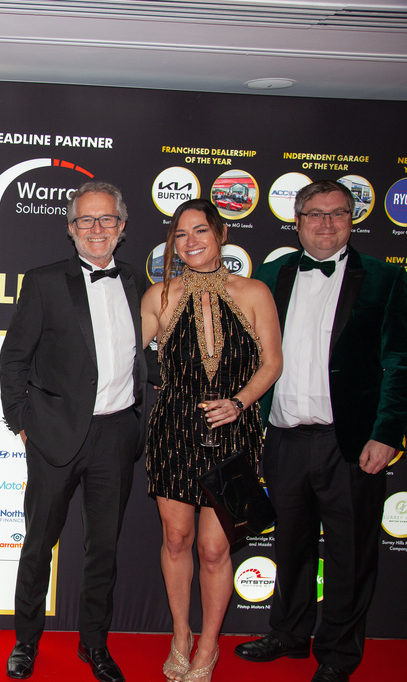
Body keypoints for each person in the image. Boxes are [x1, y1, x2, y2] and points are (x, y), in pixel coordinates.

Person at [234, 181, 407, 682]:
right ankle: (289, 634)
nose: (327, 223)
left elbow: (402, 364)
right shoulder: (270, 276)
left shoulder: (384, 279)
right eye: (315, 214)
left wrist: (387, 433)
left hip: (351, 443)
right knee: (290, 546)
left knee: (349, 553)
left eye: (338, 213)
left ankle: (337, 654)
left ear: (352, 220)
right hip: (284, 438)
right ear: (297, 221)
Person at [0, 182, 148, 682]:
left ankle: (94, 645)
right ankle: (25, 641)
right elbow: (13, 359)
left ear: (122, 227)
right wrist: (22, 423)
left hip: (116, 435)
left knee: (103, 550)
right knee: (38, 544)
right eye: (86, 219)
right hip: (54, 435)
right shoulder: (44, 282)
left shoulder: (136, 281)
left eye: (107, 219)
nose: (96, 229)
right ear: (70, 228)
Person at [139, 199, 282, 682]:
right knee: (176, 539)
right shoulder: (159, 296)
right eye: (181, 234)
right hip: (174, 431)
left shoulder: (255, 292)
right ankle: (181, 635)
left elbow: (272, 363)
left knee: (215, 549)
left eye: (200, 230)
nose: (191, 241)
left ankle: (209, 644)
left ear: (221, 233)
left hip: (233, 433)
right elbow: (122, 353)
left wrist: (238, 403)